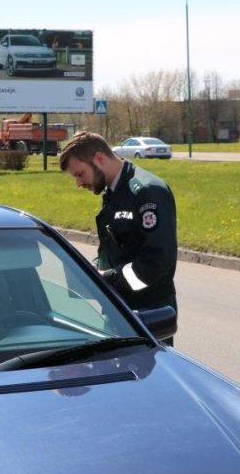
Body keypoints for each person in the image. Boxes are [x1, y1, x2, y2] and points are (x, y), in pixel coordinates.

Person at [58, 131, 178, 344]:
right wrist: (89, 274)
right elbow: (117, 248)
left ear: (99, 159)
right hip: (119, 310)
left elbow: (157, 262)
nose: (78, 183)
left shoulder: (147, 192)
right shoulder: (115, 191)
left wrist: (110, 280)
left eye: (79, 174)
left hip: (148, 317)